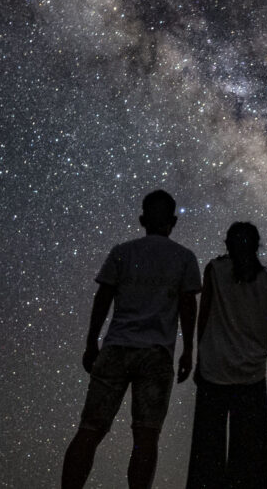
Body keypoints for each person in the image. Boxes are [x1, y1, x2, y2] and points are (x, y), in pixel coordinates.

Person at [62, 190, 201, 489]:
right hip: (156, 354)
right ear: (173, 222)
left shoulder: (123, 252)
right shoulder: (184, 258)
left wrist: (91, 342)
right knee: (146, 435)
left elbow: (104, 298)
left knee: (90, 429)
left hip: (116, 348)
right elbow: (188, 306)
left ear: (142, 219)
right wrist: (189, 350)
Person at [186, 222, 267, 489]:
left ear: (227, 244)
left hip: (215, 368)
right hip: (251, 373)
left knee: (207, 453)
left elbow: (203, 318)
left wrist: (197, 355)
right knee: (251, 459)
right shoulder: (266, 280)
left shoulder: (215, 270)